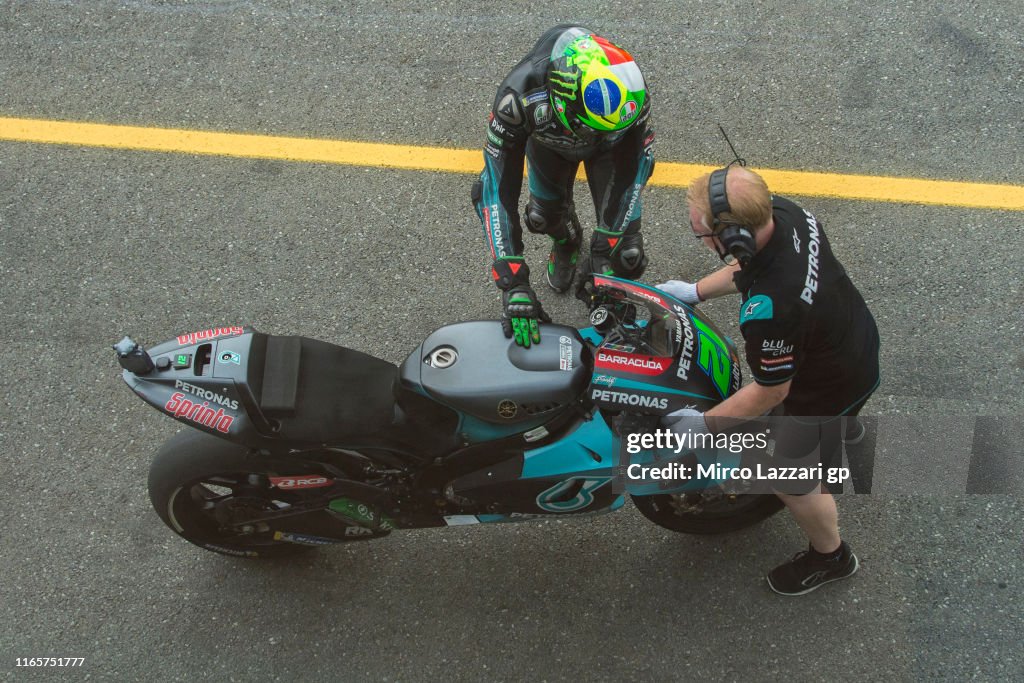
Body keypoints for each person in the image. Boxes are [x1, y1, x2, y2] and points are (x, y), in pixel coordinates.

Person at [659, 165, 880, 595]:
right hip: (854, 338)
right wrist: (694, 290)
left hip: (829, 381)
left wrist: (701, 428)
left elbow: (772, 390)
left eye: (703, 233)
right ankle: (836, 438)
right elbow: (748, 266)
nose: (702, 240)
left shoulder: (771, 308)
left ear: (736, 235)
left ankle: (831, 557)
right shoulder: (785, 213)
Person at [472, 24, 655, 348]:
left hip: (613, 157)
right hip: (549, 145)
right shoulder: (518, 97)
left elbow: (636, 166)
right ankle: (568, 243)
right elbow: (495, 189)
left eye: (612, 130)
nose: (604, 137)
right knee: (542, 218)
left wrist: (606, 247)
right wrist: (512, 280)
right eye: (595, 130)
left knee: (627, 255)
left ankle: (598, 261)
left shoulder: (630, 89)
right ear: (561, 101)